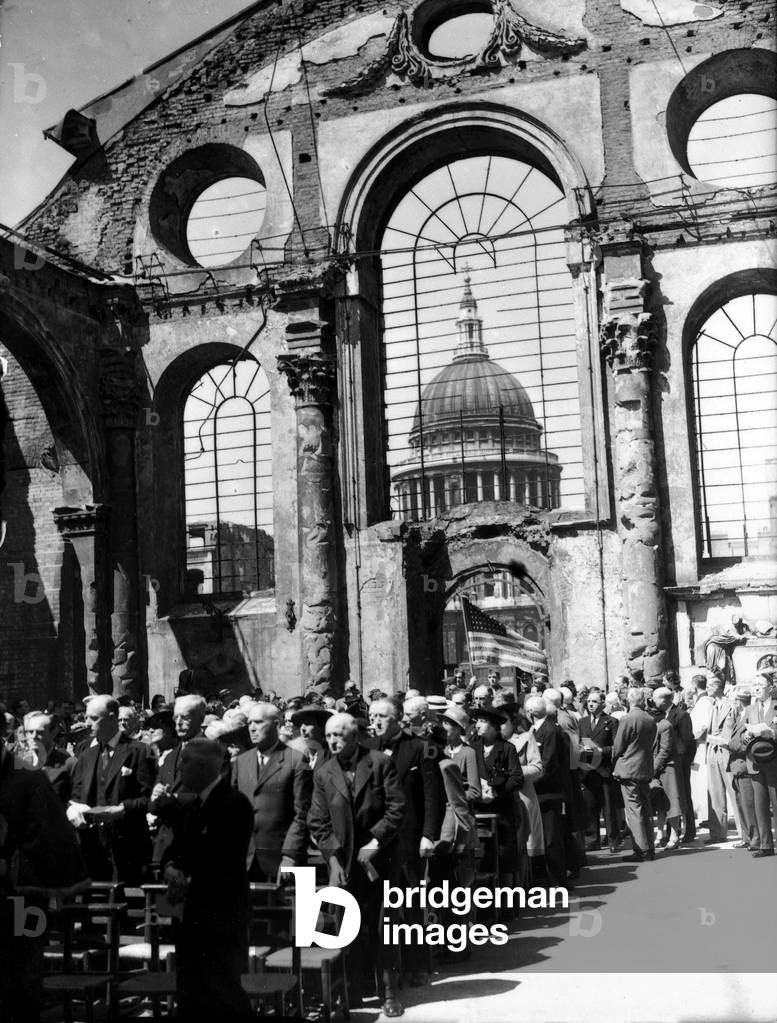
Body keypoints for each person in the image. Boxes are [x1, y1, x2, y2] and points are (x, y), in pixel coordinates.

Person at [307, 712, 405, 1017]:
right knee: (346, 930)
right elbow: (318, 821)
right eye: (330, 736)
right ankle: (350, 993)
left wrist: (375, 843)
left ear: (355, 736)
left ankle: (389, 992)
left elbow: (396, 807)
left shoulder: (379, 763)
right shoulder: (323, 774)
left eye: (340, 735)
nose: (334, 741)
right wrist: (333, 855)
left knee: (382, 927)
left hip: (379, 862)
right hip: (343, 865)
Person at [162, 738, 254, 1021]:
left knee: (223, 992)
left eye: (184, 765)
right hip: (193, 917)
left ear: (202, 767)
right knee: (191, 993)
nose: (179, 772)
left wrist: (185, 876)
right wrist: (170, 868)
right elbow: (175, 851)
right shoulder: (194, 806)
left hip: (220, 918)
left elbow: (222, 860)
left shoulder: (233, 804)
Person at [369, 698, 445, 987]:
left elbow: (432, 796)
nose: (376, 721)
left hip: (410, 838)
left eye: (382, 716)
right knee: (380, 906)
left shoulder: (420, 749)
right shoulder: (367, 748)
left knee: (411, 902)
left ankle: (416, 964)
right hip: (378, 839)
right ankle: (382, 970)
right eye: (372, 715)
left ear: (399, 718)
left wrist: (429, 834)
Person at [67, 694, 155, 883]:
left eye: (94, 718)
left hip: (128, 846)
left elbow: (149, 799)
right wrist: (75, 811)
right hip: (93, 847)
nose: (88, 724)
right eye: (86, 718)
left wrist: (122, 810)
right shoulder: (86, 756)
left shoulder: (140, 751)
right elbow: (75, 796)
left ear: (112, 718)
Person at [231, 702, 312, 881]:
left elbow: (302, 813)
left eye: (259, 722)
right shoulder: (241, 762)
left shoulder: (296, 760)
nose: (252, 728)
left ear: (276, 724)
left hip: (282, 860)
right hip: (245, 859)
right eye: (250, 723)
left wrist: (290, 855)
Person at [149, 694, 206, 864]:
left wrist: (173, 799)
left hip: (197, 844)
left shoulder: (213, 753)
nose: (178, 722)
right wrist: (155, 798)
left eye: (185, 717)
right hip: (166, 846)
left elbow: (212, 798)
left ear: (200, 718)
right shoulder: (170, 757)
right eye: (176, 718)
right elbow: (153, 805)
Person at [470, 706, 523, 885]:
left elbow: (516, 778)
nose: (477, 725)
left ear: (494, 726)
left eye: (483, 721)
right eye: (477, 721)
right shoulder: (472, 749)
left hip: (502, 811)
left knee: (505, 856)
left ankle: (508, 905)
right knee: (482, 857)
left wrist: (495, 790)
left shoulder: (507, 748)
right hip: (478, 811)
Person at [612, 687, 657, 863]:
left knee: (634, 811)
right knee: (645, 809)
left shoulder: (628, 718)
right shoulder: (649, 719)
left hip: (629, 768)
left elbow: (618, 745)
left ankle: (642, 849)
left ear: (630, 700)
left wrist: (614, 761)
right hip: (644, 767)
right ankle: (649, 847)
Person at [579, 689, 619, 853]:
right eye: (588, 701)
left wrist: (603, 751)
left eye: (594, 701)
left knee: (609, 807)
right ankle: (592, 840)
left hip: (604, 769)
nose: (590, 704)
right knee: (589, 806)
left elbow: (617, 746)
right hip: (588, 770)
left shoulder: (611, 721)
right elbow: (578, 742)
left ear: (602, 704)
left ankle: (613, 840)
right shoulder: (582, 722)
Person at [743, 675, 777, 857]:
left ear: (770, 687)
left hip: (773, 760)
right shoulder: (749, 709)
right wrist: (744, 736)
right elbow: (740, 732)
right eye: (754, 684)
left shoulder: (776, 706)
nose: (756, 688)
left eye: (760, 685)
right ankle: (766, 845)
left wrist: (772, 732)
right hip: (755, 762)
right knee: (760, 805)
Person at [724, 686, 757, 851]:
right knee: (741, 804)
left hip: (744, 766)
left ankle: (754, 838)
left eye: (733, 700)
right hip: (737, 766)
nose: (732, 703)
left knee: (749, 805)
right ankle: (746, 837)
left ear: (739, 701)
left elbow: (745, 743)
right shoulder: (739, 716)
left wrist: (727, 744)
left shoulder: (750, 716)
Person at [650, 688, 683, 849]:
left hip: (668, 768)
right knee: (660, 804)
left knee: (672, 803)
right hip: (658, 768)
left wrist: (653, 768)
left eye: (655, 699)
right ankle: (660, 833)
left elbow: (665, 750)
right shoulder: (655, 724)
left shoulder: (665, 725)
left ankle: (674, 836)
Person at [704, 676, 736, 844]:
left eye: (710, 686)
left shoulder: (731, 705)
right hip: (712, 751)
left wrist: (723, 741)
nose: (707, 688)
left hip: (726, 751)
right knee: (715, 794)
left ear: (719, 687)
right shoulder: (710, 706)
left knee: (734, 792)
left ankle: (747, 835)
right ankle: (717, 833)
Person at [20, 711, 75, 804]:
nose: (34, 736)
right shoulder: (19, 763)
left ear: (53, 733)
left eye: (40, 732)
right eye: (30, 732)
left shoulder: (69, 764)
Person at [440, 704, 481, 803]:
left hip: (460, 811)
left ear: (458, 728)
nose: (443, 727)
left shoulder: (468, 753)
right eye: (442, 723)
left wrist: (452, 796)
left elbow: (475, 792)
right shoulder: (441, 751)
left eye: (446, 723)